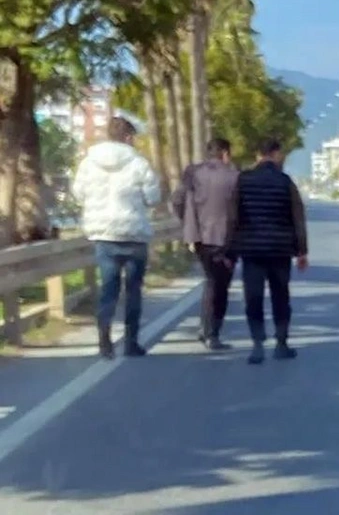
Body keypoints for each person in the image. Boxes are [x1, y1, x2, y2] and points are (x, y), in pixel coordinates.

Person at [71, 116, 161, 359]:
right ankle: (131, 343)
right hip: (134, 234)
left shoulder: (89, 162)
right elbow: (153, 196)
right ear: (128, 137)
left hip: (104, 235)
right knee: (133, 291)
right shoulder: (139, 163)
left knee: (108, 290)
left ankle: (104, 342)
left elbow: (78, 193)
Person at [224, 138, 309, 364]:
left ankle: (257, 345)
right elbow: (298, 218)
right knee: (281, 297)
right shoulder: (285, 182)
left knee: (253, 297)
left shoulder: (244, 180)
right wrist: (302, 251)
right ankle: (281, 343)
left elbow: (233, 217)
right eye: (281, 154)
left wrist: (229, 251)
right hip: (280, 250)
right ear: (274, 153)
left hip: (252, 250)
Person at [171, 137, 239, 350]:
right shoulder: (235, 177)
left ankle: (206, 329)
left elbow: (177, 200)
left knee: (211, 281)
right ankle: (212, 332)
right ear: (226, 154)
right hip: (226, 239)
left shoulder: (193, 173)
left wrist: (189, 223)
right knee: (220, 286)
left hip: (200, 236)